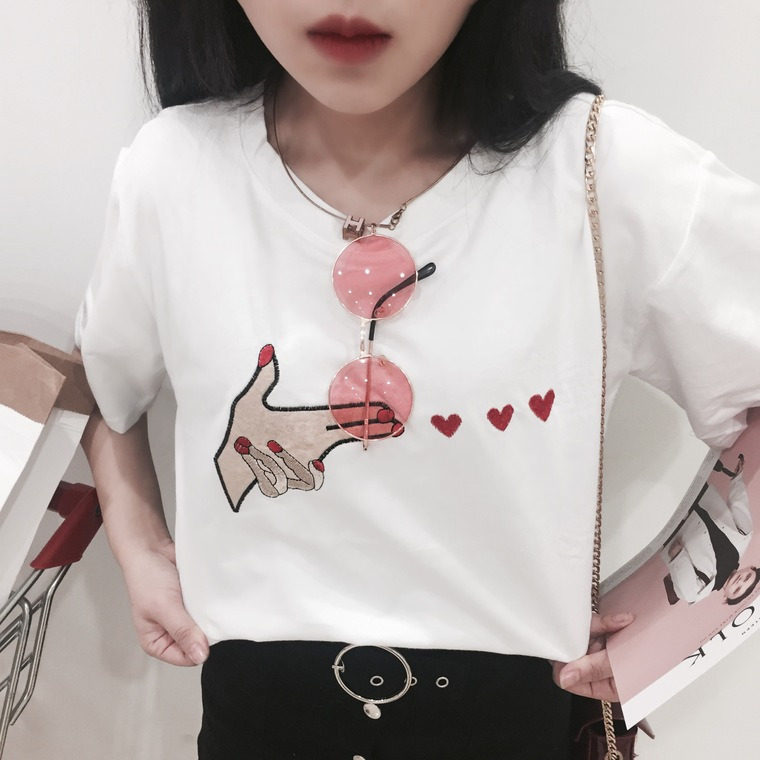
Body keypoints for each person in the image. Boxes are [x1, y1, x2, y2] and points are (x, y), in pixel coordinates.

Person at [74, 1, 760, 758]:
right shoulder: (173, 168)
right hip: (253, 719)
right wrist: (140, 547)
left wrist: (673, 625)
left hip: (508, 721)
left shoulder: (604, 171)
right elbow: (104, 386)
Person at [662, 454, 754, 605]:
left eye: (737, 589)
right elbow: (739, 503)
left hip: (669, 520)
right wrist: (737, 478)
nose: (740, 581)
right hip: (696, 490)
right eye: (747, 577)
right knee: (668, 458)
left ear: (725, 597)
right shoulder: (744, 536)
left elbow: (674, 551)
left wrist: (678, 557)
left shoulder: (697, 591)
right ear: (750, 568)